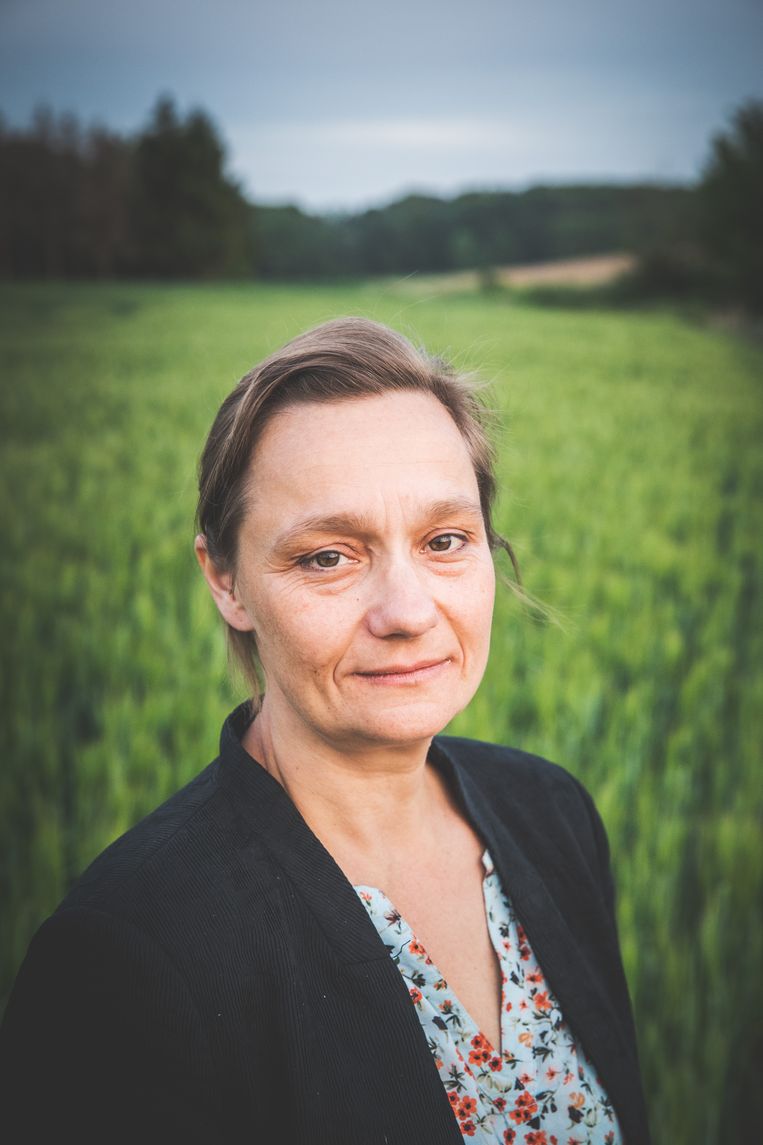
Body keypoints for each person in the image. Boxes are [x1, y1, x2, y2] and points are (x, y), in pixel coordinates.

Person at [0, 318, 650, 1144]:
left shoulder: (552, 813)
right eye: (326, 557)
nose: (407, 612)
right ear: (225, 580)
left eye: (444, 540)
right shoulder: (126, 958)